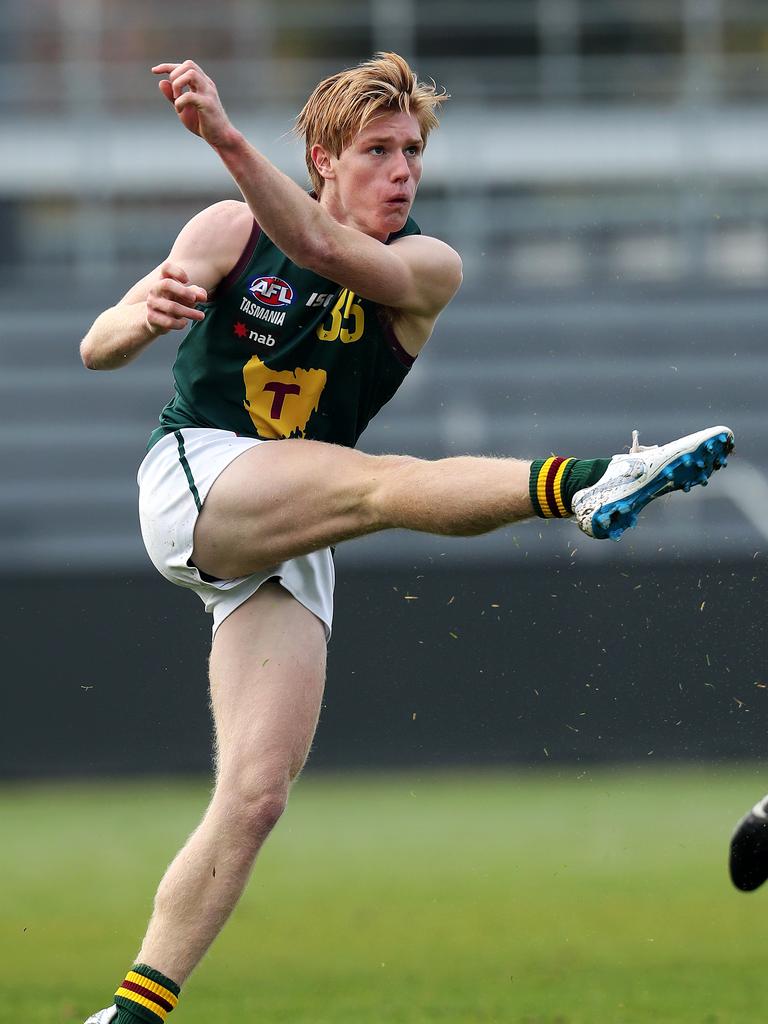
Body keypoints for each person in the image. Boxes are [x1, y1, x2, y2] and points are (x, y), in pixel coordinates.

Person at [79, 54, 733, 1024]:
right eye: (377, 151)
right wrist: (142, 315)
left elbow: (332, 257)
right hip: (200, 477)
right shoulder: (229, 227)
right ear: (322, 160)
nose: (403, 171)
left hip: (299, 513)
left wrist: (225, 140)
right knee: (386, 486)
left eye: (413, 152)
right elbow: (97, 343)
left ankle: (129, 1016)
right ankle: (592, 483)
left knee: (256, 795)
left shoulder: (428, 268)